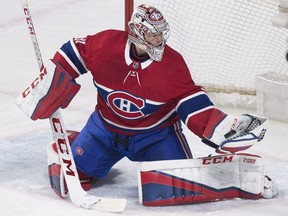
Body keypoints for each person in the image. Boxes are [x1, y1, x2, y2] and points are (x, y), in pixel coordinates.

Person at [42, 4, 276, 203]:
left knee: (176, 189)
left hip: (155, 138)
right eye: (153, 35)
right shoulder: (107, 46)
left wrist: (225, 128)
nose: (159, 40)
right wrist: (55, 82)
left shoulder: (172, 65)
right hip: (104, 132)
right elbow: (74, 50)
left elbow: (193, 105)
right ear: (137, 32)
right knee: (68, 177)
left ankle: (238, 181)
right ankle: (72, 145)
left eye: (160, 34)